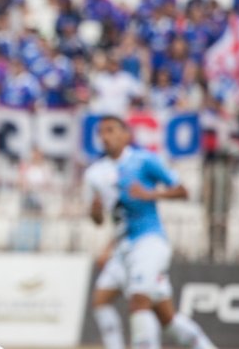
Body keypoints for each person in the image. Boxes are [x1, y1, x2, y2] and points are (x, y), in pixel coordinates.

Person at [84, 115, 216, 349]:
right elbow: (98, 220)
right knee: (164, 317)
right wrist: (95, 212)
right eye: (101, 132)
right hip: (123, 247)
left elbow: (183, 191)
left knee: (139, 301)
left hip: (149, 241)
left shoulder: (144, 161)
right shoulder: (95, 173)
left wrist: (151, 194)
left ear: (126, 135)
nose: (106, 136)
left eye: (111, 130)